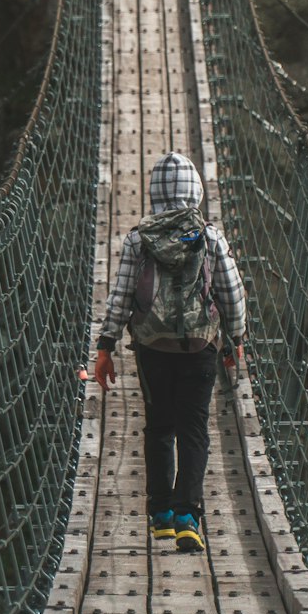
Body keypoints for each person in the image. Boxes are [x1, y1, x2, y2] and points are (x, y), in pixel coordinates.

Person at [94, 152, 246, 553]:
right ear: (195, 190)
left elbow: (121, 296)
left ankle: (160, 514)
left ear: (153, 192)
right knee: (193, 429)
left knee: (159, 427)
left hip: (151, 347)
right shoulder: (210, 236)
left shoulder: (138, 239)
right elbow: (230, 293)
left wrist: (105, 346)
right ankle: (187, 516)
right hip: (199, 346)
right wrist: (235, 338)